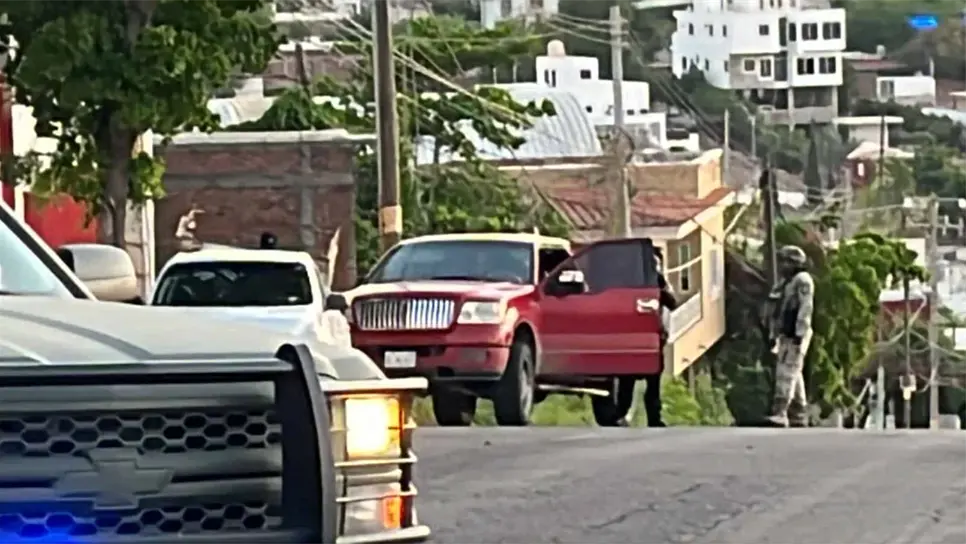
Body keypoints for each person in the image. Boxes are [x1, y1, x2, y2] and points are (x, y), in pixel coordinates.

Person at [764, 245, 814, 428]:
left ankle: (781, 411)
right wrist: (773, 333)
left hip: (796, 334)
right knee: (794, 372)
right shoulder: (785, 282)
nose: (782, 265)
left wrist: (799, 333)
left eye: (786, 261)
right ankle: (799, 414)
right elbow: (775, 309)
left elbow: (805, 308)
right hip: (786, 334)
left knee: (786, 372)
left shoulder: (802, 281)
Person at [642, 250, 678, 428]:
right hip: (636, 337)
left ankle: (653, 417)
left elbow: (672, 303)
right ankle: (618, 413)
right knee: (627, 381)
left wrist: (661, 288)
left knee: (653, 382)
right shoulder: (635, 284)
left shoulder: (660, 282)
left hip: (655, 337)